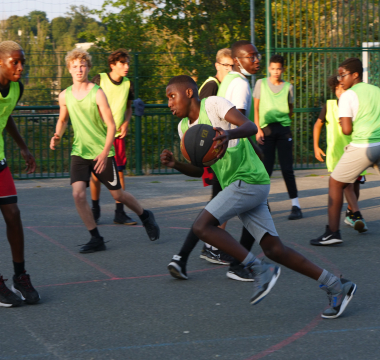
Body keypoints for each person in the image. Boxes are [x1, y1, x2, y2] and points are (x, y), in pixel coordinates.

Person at [161, 75, 356, 319]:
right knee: (275, 249)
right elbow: (201, 169)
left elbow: (251, 127)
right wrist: (176, 164)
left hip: (250, 179)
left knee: (202, 226)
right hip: (239, 186)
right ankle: (337, 285)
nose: (169, 103)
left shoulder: (213, 105)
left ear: (189, 93)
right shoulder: (184, 130)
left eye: (171, 96)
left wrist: (229, 135)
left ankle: (257, 268)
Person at [50, 48, 160, 253]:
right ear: (69, 70)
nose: (79, 69)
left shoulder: (97, 93)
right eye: (75, 66)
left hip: (102, 151)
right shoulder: (64, 95)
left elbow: (111, 125)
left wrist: (104, 152)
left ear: (88, 67)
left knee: (118, 194)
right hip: (80, 152)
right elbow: (63, 119)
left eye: (83, 65)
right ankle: (96, 238)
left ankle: (145, 215)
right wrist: (57, 135)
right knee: (78, 195)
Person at [311, 58, 380, 246]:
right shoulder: (376, 90)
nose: (340, 79)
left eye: (343, 75)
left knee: (335, 183)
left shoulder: (348, 95)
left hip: (364, 145)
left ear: (355, 75)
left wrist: (344, 122)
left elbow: (347, 130)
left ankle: (332, 233)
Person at [0, 40, 40, 307]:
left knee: (13, 214)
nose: (21, 67)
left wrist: (23, 147)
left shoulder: (16, 87)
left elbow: (7, 114)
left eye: (22, 61)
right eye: (15, 62)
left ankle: (20, 276)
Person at [313, 75, 367, 233]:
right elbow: (318, 125)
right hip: (337, 154)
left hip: (355, 150)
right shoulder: (329, 106)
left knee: (355, 185)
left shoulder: (353, 106)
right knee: (347, 184)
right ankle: (357, 215)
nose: (340, 92)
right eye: (337, 89)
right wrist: (316, 146)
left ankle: (351, 212)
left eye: (343, 88)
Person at [90, 49, 137, 226]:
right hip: (99, 136)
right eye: (122, 63)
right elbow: (90, 104)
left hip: (117, 136)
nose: (126, 67)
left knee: (119, 173)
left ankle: (120, 212)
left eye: (127, 63)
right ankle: (95, 209)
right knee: (96, 174)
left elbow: (129, 108)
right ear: (113, 65)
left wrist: (125, 123)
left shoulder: (127, 84)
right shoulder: (99, 80)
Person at [253, 54, 302, 220]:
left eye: (279, 68)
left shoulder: (288, 87)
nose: (276, 71)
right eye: (273, 68)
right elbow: (256, 108)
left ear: (283, 69)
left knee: (287, 168)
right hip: (266, 130)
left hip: (283, 130)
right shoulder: (260, 84)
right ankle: (262, 205)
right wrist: (258, 129)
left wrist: (284, 125)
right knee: (265, 169)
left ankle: (296, 206)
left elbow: (290, 108)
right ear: (269, 68)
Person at [198, 48, 235, 265]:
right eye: (226, 65)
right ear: (218, 65)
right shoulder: (212, 85)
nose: (230, 69)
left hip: (219, 148)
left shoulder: (223, 85)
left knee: (221, 197)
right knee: (221, 198)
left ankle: (209, 245)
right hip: (213, 149)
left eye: (232, 65)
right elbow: (203, 117)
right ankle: (211, 245)